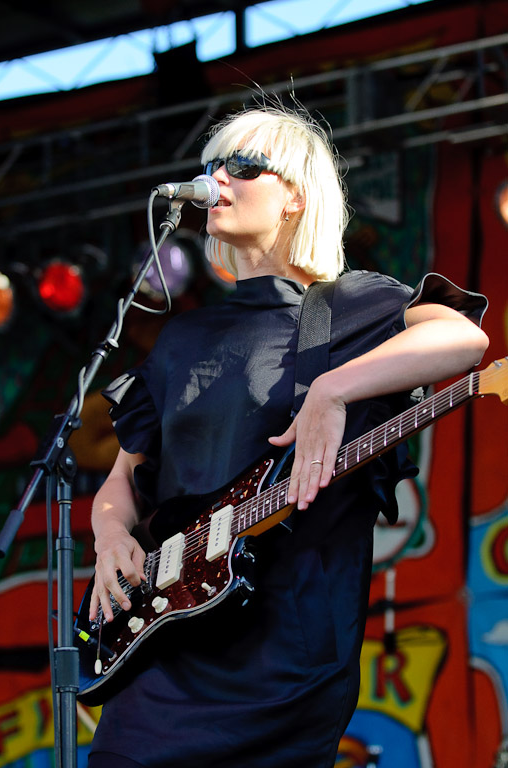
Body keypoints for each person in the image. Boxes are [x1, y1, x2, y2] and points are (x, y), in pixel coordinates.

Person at [86, 105, 489, 768]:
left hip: (285, 648)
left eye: (242, 167)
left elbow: (463, 338)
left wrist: (334, 389)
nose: (217, 179)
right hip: (171, 641)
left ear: (295, 196)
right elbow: (126, 476)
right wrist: (109, 534)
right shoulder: (182, 339)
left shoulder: (350, 307)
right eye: (212, 166)